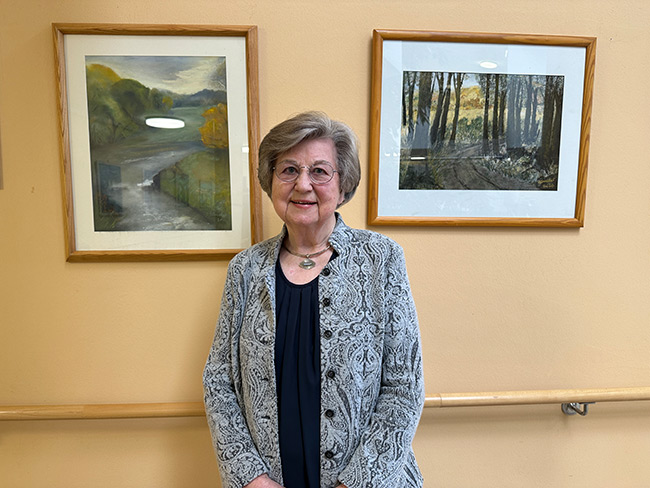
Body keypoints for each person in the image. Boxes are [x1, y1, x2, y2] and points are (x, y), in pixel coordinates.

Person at [203, 111, 424, 488]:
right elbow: (219, 380)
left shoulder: (381, 259)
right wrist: (252, 478)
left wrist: (354, 484)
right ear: (271, 180)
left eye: (319, 171)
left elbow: (404, 386)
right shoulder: (245, 269)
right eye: (289, 170)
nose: (302, 184)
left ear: (343, 184)